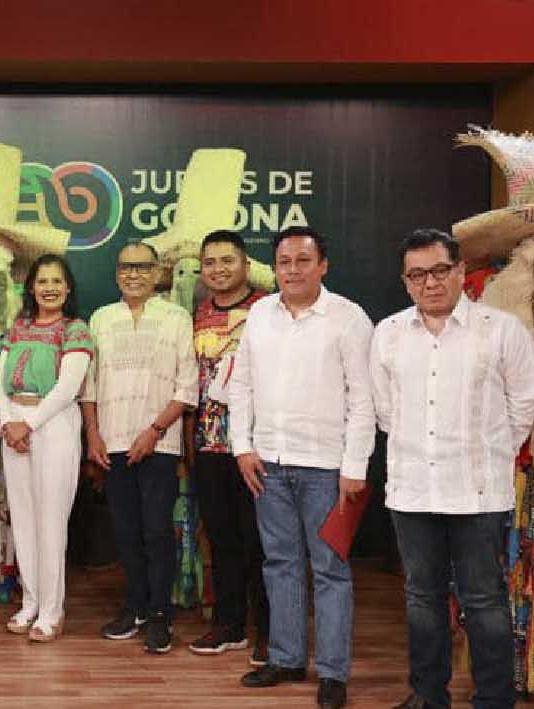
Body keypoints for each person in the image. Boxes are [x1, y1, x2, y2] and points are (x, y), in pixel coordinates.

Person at [370, 229, 534, 709]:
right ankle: (428, 695)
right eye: (417, 275)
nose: (430, 283)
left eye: (439, 270)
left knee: (483, 599)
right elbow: (385, 410)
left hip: (477, 491)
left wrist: (493, 449)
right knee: (422, 599)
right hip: (412, 491)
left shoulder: (500, 329)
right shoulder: (388, 333)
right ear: (405, 281)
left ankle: (494, 698)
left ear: (461, 271)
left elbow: (527, 397)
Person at [229, 226, 374, 709]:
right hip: (267, 464)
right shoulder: (260, 315)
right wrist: (242, 447)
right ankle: (287, 658)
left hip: (327, 468)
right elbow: (241, 385)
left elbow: (363, 399)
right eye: (284, 262)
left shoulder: (348, 318)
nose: (292, 270)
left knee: (330, 568)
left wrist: (355, 467)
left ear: (323, 265)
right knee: (280, 563)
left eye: (303, 260)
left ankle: (333, 673)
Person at [83, 242, 197, 654]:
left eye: (143, 267)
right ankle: (134, 607)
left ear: (158, 273)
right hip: (112, 441)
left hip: (159, 443)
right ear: (117, 273)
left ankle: (160, 612)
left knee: (156, 530)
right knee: (126, 531)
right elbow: (89, 383)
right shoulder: (101, 318)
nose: (134, 275)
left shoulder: (176, 317)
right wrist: (93, 434)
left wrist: (154, 430)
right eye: (126, 267)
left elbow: (187, 385)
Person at [0, 253, 93, 642]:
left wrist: (28, 424)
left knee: (51, 519)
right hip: (14, 424)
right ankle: (30, 602)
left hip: (53, 424)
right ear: (31, 288)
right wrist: (8, 422)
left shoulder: (75, 330)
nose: (49, 288)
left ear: (67, 288)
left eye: (56, 281)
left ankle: (52, 611)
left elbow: (67, 388)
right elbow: (0, 382)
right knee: (23, 517)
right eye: (42, 281)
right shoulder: (18, 328)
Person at [188, 230, 271, 664]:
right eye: (210, 262)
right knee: (221, 538)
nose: (218, 269)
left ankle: (271, 630)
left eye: (227, 260)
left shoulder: (267, 309)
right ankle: (229, 625)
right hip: (208, 443)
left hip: (255, 445)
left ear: (245, 264)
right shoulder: (198, 313)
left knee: (262, 540)